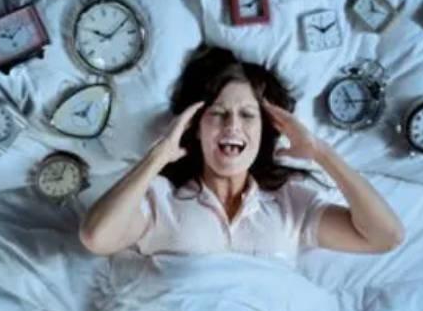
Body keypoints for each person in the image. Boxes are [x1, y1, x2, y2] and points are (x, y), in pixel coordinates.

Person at [79, 45, 405, 267]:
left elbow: (386, 237)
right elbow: (96, 237)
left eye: (247, 115)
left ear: (264, 131)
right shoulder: (160, 200)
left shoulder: (291, 204)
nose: (232, 125)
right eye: (218, 113)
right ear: (196, 128)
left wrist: (320, 152)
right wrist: (159, 155)